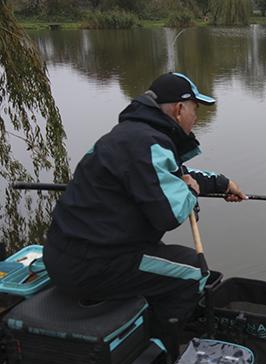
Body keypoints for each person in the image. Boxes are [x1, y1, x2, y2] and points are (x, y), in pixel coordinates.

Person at [43, 72, 246, 349]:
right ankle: (157, 351)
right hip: (93, 265)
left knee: (162, 257)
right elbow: (171, 214)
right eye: (195, 109)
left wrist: (221, 184)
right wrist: (191, 192)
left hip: (60, 256)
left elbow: (176, 174)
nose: (196, 117)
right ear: (178, 109)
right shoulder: (151, 143)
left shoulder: (129, 136)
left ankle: (142, 324)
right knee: (192, 272)